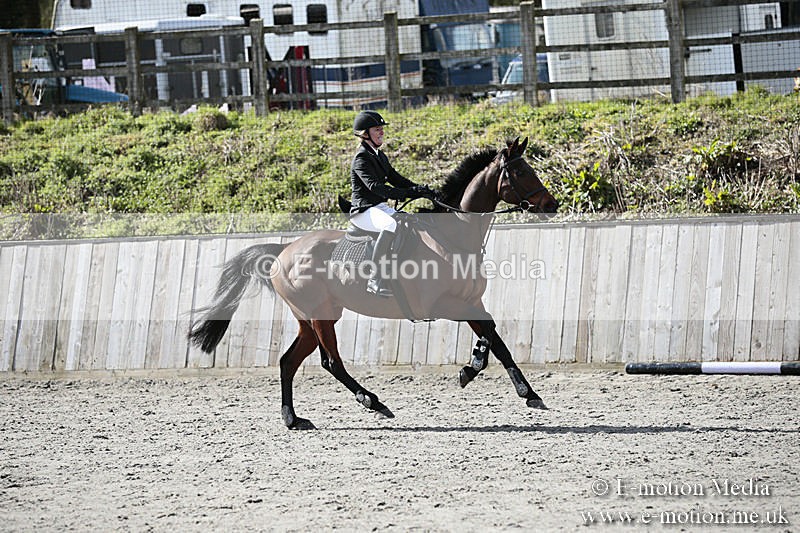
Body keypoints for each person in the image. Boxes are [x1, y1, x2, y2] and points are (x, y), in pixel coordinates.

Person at [349, 110, 433, 297]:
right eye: (377, 129)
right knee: (390, 224)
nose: (381, 133)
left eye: (381, 129)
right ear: (365, 134)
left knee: (409, 222)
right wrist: (409, 193)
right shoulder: (361, 158)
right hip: (363, 211)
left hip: (379, 208)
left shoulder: (379, 155)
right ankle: (374, 277)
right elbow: (376, 188)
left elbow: (396, 179)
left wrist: (421, 190)